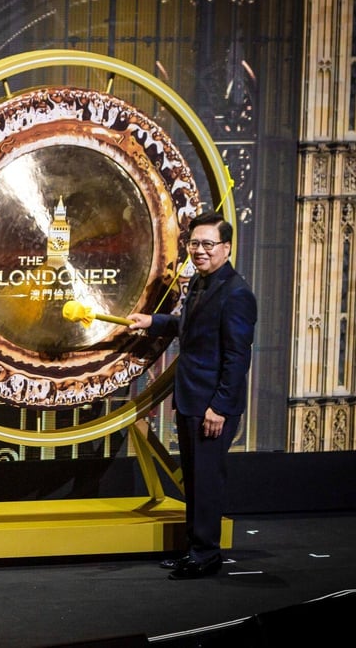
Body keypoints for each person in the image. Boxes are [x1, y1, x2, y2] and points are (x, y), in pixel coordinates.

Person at [127, 210, 257, 580]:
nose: (200, 250)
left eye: (208, 244)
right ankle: (194, 549)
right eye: (195, 243)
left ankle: (205, 555)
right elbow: (189, 326)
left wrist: (220, 407)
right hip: (191, 397)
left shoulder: (237, 294)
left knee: (207, 480)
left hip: (212, 404)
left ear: (226, 247)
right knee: (196, 478)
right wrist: (153, 322)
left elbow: (237, 358)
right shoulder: (202, 282)